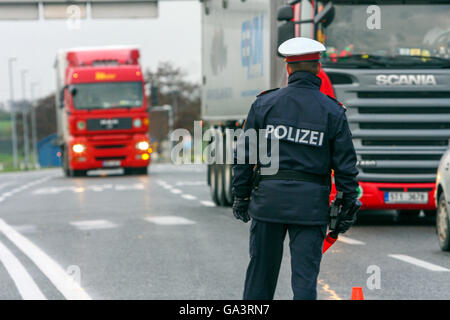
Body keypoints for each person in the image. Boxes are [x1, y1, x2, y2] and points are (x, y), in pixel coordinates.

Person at [231, 37, 360, 300]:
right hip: (310, 207)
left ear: (288, 68)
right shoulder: (332, 111)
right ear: (318, 68)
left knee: (260, 278)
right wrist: (347, 206)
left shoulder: (264, 104)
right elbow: (346, 166)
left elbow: (245, 156)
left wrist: (241, 196)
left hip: (268, 203)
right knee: (304, 281)